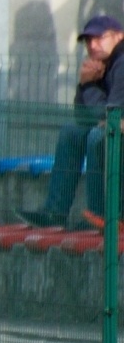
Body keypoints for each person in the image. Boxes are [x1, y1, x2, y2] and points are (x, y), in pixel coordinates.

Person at [20, 14, 124, 229]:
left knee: (98, 137)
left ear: (119, 37)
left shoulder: (122, 63)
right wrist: (85, 84)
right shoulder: (102, 64)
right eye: (88, 40)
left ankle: (100, 216)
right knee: (72, 131)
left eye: (99, 38)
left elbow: (110, 116)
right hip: (115, 130)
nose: (92, 45)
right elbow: (82, 116)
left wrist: (88, 86)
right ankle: (55, 211)